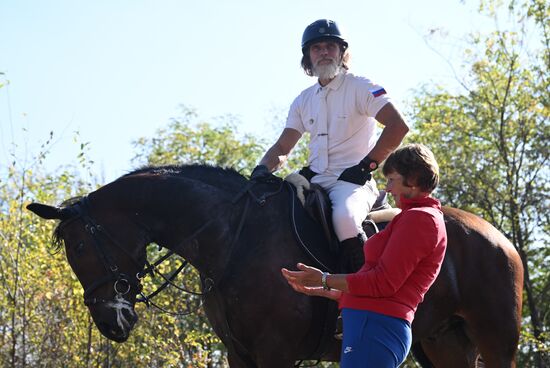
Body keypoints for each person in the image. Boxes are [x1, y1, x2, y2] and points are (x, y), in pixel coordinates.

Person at [251, 19, 409, 272]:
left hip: (352, 181)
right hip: (313, 179)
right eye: (316, 48)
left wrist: (367, 165)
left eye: (330, 46)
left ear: (342, 52)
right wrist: (261, 170)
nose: (323, 52)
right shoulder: (302, 100)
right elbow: (283, 146)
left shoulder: (361, 86)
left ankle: (360, 289)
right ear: (308, 57)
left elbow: (397, 126)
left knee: (345, 220)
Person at [281, 143, 448, 368]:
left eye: (392, 180)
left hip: (376, 327)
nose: (387, 189)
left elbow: (382, 283)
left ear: (414, 179)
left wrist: (324, 278)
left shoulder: (421, 219)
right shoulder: (412, 217)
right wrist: (330, 290)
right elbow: (382, 287)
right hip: (371, 326)